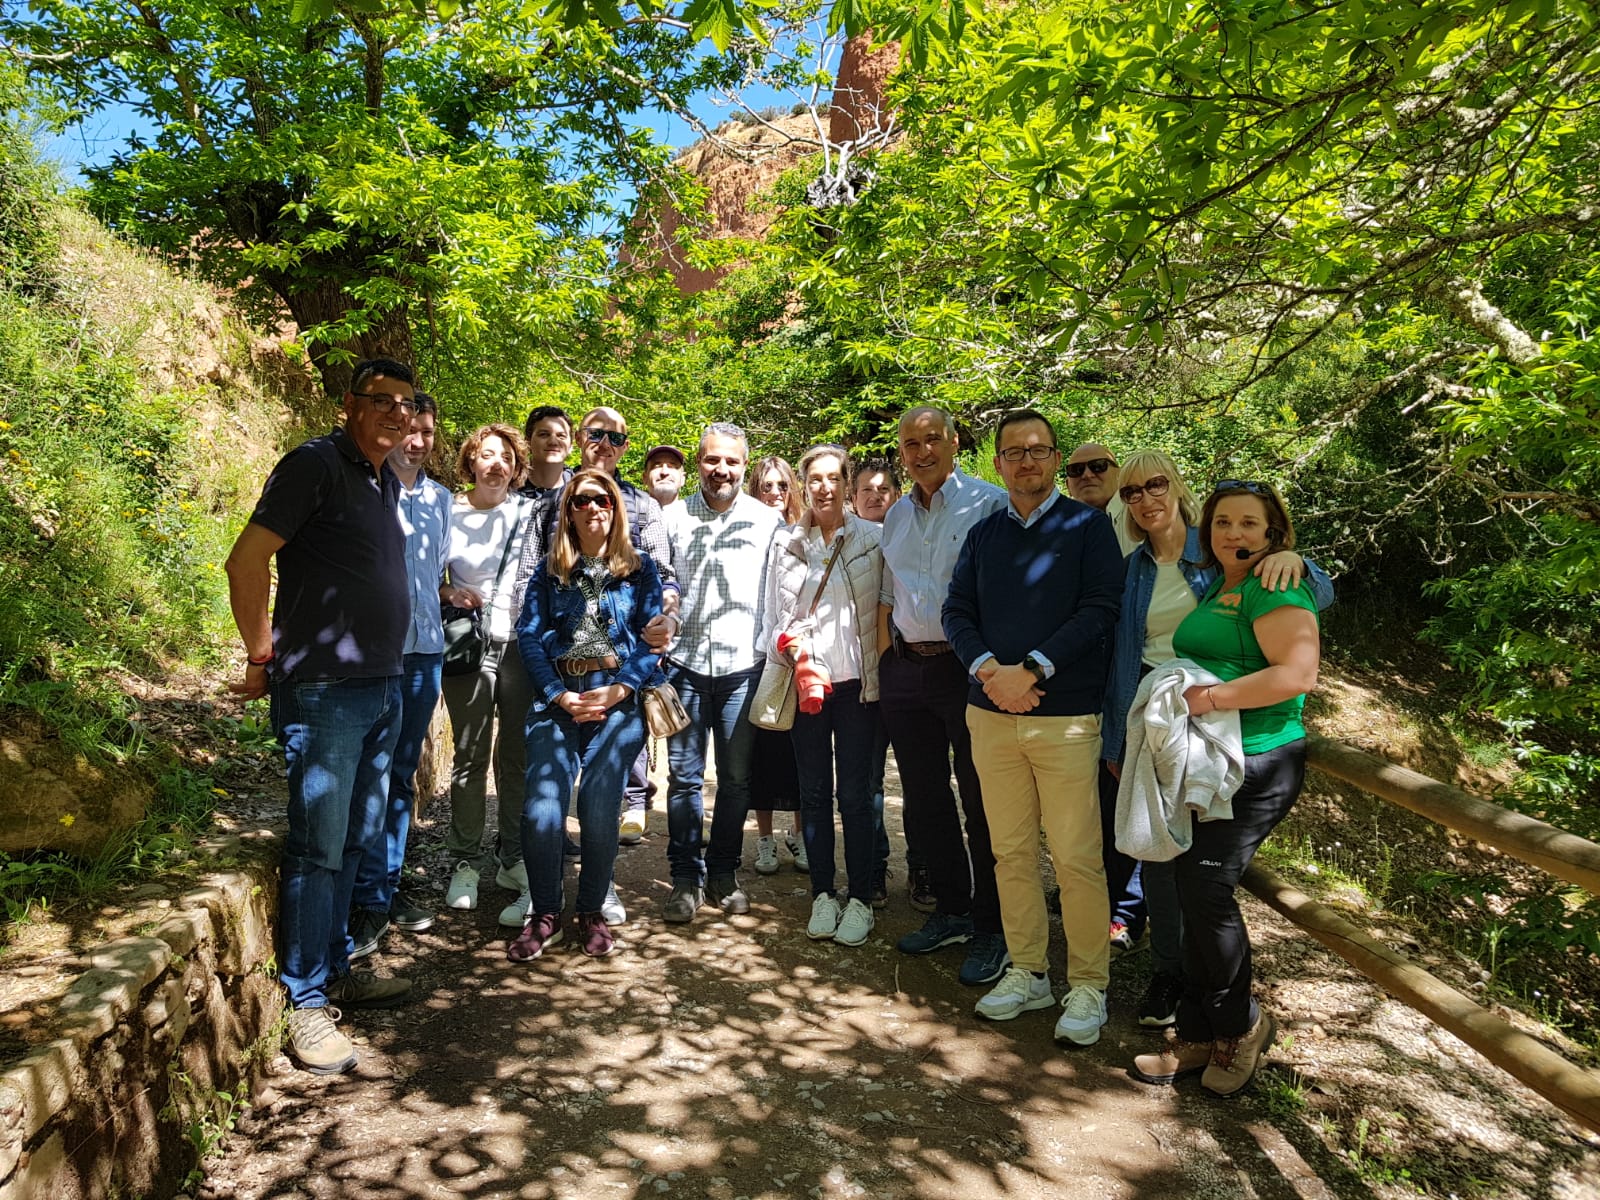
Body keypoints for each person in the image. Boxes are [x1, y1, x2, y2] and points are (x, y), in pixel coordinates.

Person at [224, 357, 415, 1076]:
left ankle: (336, 970)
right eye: (382, 400)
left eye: (407, 402)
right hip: (326, 691)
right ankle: (305, 1003)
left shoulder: (381, 477)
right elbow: (246, 561)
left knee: (357, 840)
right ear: (349, 404)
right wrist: (259, 652)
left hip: (383, 686)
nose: (397, 413)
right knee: (318, 845)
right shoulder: (313, 464)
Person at [1102, 451, 1333, 1029]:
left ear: (1177, 489)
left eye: (1156, 483)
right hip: (1173, 735)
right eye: (1131, 491)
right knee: (1170, 865)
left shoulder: (1238, 561)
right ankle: (1185, 995)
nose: (1146, 497)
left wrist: (1292, 557)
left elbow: (1310, 611)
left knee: (1202, 885)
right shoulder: (1142, 567)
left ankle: (1229, 1021)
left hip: (1245, 742)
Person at [943, 408, 1124, 1046]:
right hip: (990, 715)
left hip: (1066, 718)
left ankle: (1088, 985)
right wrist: (991, 670)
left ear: (1054, 459)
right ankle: (1028, 970)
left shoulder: (1088, 529)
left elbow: (1101, 608)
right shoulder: (985, 535)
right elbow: (956, 609)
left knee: (1076, 859)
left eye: (1039, 450)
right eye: (1014, 452)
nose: (1026, 461)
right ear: (997, 463)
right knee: (1009, 851)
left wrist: (1034, 668)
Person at [879, 407, 1010, 985]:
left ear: (956, 442)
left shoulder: (988, 503)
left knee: (984, 800)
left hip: (969, 671)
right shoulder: (896, 516)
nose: (922, 451)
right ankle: (953, 911)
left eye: (933, 439)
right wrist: (886, 662)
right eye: (911, 443)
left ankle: (994, 926)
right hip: (909, 669)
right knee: (925, 797)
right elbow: (890, 593)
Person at [511, 470, 664, 960]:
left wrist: (621, 689)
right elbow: (529, 636)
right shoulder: (548, 571)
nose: (594, 508)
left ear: (616, 509)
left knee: (599, 806)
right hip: (560, 697)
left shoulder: (641, 571)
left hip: (616, 698)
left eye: (603, 500)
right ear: (569, 511)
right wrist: (558, 694)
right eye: (582, 501)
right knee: (543, 807)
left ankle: (592, 908)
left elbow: (650, 640)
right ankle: (546, 912)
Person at [659, 422, 784, 923]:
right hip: (685, 665)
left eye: (731, 461)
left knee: (735, 779)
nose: (722, 470)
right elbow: (659, 582)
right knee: (685, 779)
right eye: (712, 460)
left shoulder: (766, 521)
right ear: (700, 462)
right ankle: (685, 878)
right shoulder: (672, 517)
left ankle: (724, 871)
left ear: (744, 465)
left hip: (743, 668)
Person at [761, 445, 884, 945]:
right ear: (802, 486)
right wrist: (787, 646)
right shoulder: (786, 543)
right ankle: (822, 894)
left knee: (855, 796)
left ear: (847, 484)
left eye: (834, 478)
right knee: (813, 794)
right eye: (815, 479)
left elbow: (887, 611)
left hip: (857, 686)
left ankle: (860, 897)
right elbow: (772, 618)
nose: (825, 488)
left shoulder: (873, 538)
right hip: (805, 685)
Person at [349, 392, 450, 958]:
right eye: (409, 429)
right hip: (372, 656)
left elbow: (430, 574)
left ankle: (384, 891)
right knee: (371, 776)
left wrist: (448, 592)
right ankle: (364, 898)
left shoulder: (441, 499)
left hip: (424, 656)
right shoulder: (364, 489)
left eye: (428, 432)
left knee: (402, 774)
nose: (417, 440)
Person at [565, 407, 681, 849]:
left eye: (615, 438)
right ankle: (540, 870)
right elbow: (529, 577)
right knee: (553, 772)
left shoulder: (643, 505)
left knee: (610, 765)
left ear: (626, 447)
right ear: (580, 437)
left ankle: (601, 875)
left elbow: (664, 573)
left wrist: (666, 616)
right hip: (561, 658)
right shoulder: (553, 497)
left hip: (623, 657)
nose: (604, 445)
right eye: (596, 434)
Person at [439, 424, 536, 926]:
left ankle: (512, 857)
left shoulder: (529, 512)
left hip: (521, 647)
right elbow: (423, 573)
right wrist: (447, 593)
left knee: (516, 755)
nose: (495, 464)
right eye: (486, 455)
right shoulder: (447, 513)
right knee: (469, 755)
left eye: (504, 457)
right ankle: (465, 862)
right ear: (471, 462)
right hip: (468, 647)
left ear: (517, 466)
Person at [851, 457, 910, 908]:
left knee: (919, 779)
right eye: (866, 489)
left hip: (911, 674)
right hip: (864, 682)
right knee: (867, 781)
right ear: (853, 498)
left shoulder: (912, 537)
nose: (875, 495)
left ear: (896, 494)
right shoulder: (844, 541)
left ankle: (925, 867)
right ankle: (872, 869)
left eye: (883, 489)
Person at [745, 455, 806, 877]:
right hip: (757, 656)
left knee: (803, 752)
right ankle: (764, 840)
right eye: (766, 486)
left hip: (798, 654)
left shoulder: (804, 533)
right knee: (762, 753)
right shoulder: (746, 532)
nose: (774, 494)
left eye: (781, 486)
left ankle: (799, 836)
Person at [644, 443, 687, 512]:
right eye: (657, 467)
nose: (664, 472)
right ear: (644, 478)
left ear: (683, 479)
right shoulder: (628, 516)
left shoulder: (696, 517)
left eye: (671, 466)